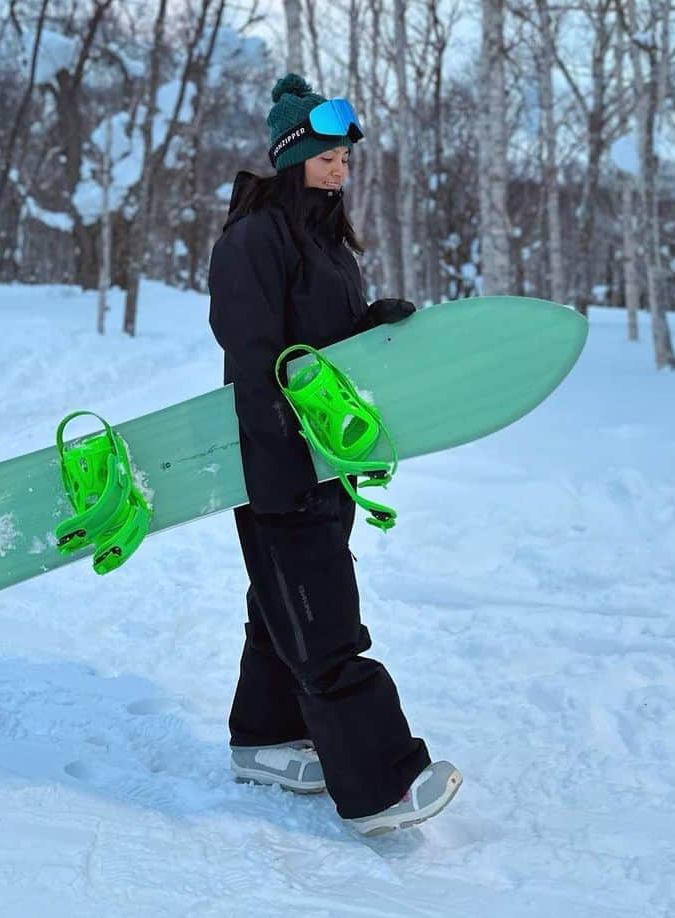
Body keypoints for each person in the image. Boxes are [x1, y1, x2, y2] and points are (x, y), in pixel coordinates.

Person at [207, 72, 463, 838]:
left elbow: (321, 355)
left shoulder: (323, 240)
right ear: (294, 154)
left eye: (345, 150)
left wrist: (370, 325)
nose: (342, 160)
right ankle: (380, 785)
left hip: (325, 463)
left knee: (281, 606)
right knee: (323, 624)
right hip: (280, 467)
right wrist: (281, 472)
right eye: (327, 151)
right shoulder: (255, 238)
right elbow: (254, 360)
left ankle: (263, 737)